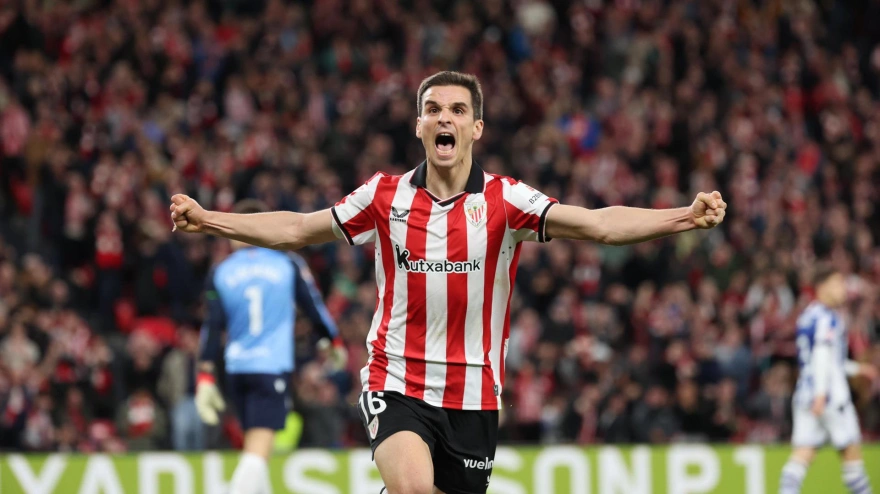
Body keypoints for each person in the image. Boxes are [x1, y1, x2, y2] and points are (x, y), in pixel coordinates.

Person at [170, 71, 727, 494]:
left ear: (475, 128)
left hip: (475, 394)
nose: (444, 118)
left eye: (458, 110)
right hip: (396, 379)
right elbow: (296, 228)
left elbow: (601, 225)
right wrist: (210, 220)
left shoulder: (507, 201)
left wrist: (684, 216)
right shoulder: (383, 197)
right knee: (414, 487)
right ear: (418, 125)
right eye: (432, 109)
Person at [194, 199, 340, 494]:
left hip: (235, 370)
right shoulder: (287, 264)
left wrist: (205, 376)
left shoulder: (221, 271)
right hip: (270, 368)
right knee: (257, 454)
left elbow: (211, 329)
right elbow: (314, 308)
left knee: (254, 446)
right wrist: (332, 340)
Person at [779, 265, 878, 494]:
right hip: (831, 397)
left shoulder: (807, 316)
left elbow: (827, 361)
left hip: (805, 393)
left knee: (802, 455)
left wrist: (858, 369)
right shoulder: (827, 318)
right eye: (837, 284)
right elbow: (822, 357)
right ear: (822, 288)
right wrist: (822, 394)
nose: (843, 289)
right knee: (852, 458)